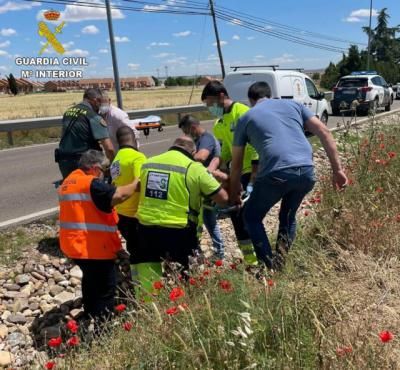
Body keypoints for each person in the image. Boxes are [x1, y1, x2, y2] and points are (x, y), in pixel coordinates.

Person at [230, 81, 348, 268]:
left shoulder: (246, 117)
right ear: (269, 95)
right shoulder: (294, 105)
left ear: (252, 100)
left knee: (251, 217)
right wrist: (338, 170)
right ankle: (281, 262)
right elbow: (324, 131)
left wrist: (235, 189)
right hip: (306, 170)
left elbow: (236, 164)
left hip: (276, 172)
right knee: (288, 216)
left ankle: (268, 268)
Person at [133, 136, 228, 296]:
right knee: (184, 272)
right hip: (178, 230)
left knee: (148, 267)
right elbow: (223, 199)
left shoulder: (148, 163)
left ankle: (148, 305)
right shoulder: (194, 168)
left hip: (145, 227)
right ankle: (183, 305)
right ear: (193, 151)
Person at [58, 150, 138, 320]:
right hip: (92, 247)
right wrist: (136, 183)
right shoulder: (90, 184)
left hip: (75, 246)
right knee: (105, 288)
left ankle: (90, 314)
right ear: (94, 168)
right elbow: (119, 194)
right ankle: (103, 328)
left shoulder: (69, 181)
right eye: (104, 169)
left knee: (90, 281)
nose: (104, 174)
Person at [201, 81, 258, 265]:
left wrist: (253, 181)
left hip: (252, 170)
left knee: (246, 215)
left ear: (222, 96)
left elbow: (256, 144)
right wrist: (213, 168)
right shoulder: (220, 124)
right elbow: (224, 152)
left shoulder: (242, 113)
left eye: (211, 104)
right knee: (237, 215)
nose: (210, 108)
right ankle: (251, 260)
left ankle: (260, 256)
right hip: (237, 172)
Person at [178, 114, 225, 259]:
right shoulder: (199, 139)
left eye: (186, 131)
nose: (186, 135)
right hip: (203, 186)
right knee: (204, 219)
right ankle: (202, 249)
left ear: (192, 127)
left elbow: (201, 157)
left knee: (207, 219)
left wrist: (180, 158)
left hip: (209, 186)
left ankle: (218, 251)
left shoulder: (206, 139)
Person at [56, 88, 115, 179]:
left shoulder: (68, 112)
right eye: (100, 101)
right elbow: (109, 149)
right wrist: (113, 166)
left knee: (71, 190)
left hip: (64, 161)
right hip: (85, 162)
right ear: (95, 100)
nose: (100, 105)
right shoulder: (93, 116)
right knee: (90, 190)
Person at [110, 126, 147, 271]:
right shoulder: (138, 157)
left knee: (134, 249)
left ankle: (136, 279)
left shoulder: (116, 160)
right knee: (145, 252)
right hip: (136, 214)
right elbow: (141, 183)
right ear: (135, 139)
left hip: (121, 214)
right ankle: (147, 286)